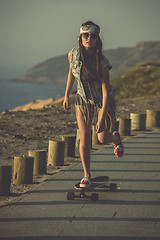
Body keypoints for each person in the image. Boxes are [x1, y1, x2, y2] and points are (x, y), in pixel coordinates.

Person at [63, 21, 124, 187]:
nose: (89, 38)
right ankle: (87, 175)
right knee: (84, 137)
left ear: (98, 39)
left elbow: (105, 93)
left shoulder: (103, 63)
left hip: (101, 102)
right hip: (82, 101)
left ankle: (115, 138)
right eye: (85, 35)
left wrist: (101, 117)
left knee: (102, 138)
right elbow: (71, 73)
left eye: (93, 36)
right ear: (80, 37)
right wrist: (67, 94)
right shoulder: (72, 54)